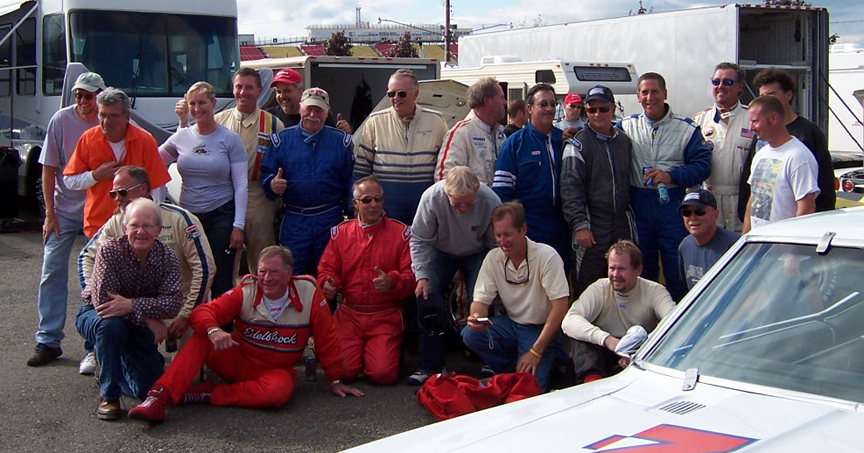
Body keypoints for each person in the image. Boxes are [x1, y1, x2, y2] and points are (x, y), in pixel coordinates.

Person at [127, 246, 363, 424]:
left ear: (290, 273)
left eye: (274, 272)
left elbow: (327, 338)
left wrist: (335, 379)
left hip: (275, 371)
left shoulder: (309, 291)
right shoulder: (247, 289)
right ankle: (158, 398)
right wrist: (214, 330)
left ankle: (207, 393)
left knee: (279, 393)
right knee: (202, 335)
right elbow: (203, 312)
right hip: (239, 360)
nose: (267, 278)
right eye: (262, 271)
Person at [79, 166, 215, 347]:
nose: (117, 199)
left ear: (143, 189)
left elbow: (205, 268)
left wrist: (186, 315)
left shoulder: (179, 219)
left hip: (179, 305)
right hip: (130, 305)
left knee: (187, 375)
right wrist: (98, 293)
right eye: (113, 194)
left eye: (122, 192)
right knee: (117, 339)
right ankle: (98, 355)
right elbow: (86, 257)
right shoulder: (116, 222)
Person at [75, 198, 182, 421]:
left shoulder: (167, 257)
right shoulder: (110, 251)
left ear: (158, 230)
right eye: (134, 225)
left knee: (148, 390)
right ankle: (108, 396)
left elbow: (172, 304)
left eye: (147, 226)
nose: (140, 232)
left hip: (134, 321)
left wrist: (133, 305)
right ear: (125, 228)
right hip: (95, 314)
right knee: (112, 327)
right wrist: (148, 317)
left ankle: (109, 366)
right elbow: (104, 303)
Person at [176, 68, 284, 278]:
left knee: (261, 256)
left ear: (260, 90)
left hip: (257, 194)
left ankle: (261, 302)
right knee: (223, 259)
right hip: (222, 195)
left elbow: (282, 162)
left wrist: (274, 185)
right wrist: (182, 122)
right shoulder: (217, 120)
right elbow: (186, 144)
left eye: (249, 88)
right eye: (239, 87)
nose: (243, 92)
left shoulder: (272, 124)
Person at [28, 72, 104, 370]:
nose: (83, 102)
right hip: (63, 210)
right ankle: (48, 339)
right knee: (52, 270)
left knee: (97, 277)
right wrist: (48, 214)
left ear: (100, 95)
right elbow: (49, 169)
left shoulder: (108, 119)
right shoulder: (61, 120)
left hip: (97, 210)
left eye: (89, 96)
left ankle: (94, 343)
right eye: (79, 96)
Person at [618, 72, 712, 302]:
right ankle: (648, 323)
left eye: (655, 91)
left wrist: (671, 176)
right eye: (645, 92)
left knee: (676, 268)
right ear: (638, 97)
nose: (650, 97)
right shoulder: (625, 126)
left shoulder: (686, 128)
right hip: (639, 206)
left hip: (672, 206)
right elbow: (598, 139)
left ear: (665, 94)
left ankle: (678, 319)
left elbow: (703, 166)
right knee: (643, 268)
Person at [461, 202, 569, 392]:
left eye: (508, 235)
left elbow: (561, 307)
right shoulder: (493, 258)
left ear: (523, 229)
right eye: (498, 235)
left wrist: (535, 352)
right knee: (470, 334)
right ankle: (513, 373)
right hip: (511, 325)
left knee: (532, 390)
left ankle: (541, 363)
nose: (503, 241)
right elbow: (480, 299)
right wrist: (476, 317)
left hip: (540, 329)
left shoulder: (547, 256)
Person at [317, 176, 414, 385]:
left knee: (382, 375)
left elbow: (412, 277)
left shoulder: (401, 234)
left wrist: (392, 281)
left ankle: (385, 353)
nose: (373, 205)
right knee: (342, 372)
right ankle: (361, 355)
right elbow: (327, 268)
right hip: (349, 314)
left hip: (385, 315)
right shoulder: (341, 233)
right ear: (355, 204)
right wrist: (327, 283)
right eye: (367, 200)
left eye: (378, 199)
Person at [409, 166, 500, 385]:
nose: (462, 209)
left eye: (469, 204)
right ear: (446, 194)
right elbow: (419, 240)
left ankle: (492, 359)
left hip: (477, 251)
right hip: (439, 249)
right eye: (457, 204)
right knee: (428, 300)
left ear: (477, 193)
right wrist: (421, 275)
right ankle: (430, 365)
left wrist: (494, 278)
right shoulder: (431, 197)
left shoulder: (490, 201)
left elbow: (495, 246)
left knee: (487, 299)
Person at [160, 81, 248, 299]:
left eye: (202, 103)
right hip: (190, 216)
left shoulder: (229, 139)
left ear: (213, 103)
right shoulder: (182, 137)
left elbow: (241, 184)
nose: (197, 109)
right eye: (192, 104)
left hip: (221, 214)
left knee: (220, 276)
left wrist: (238, 226)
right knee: (190, 275)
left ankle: (223, 328)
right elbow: (153, 161)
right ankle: (191, 326)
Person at [261, 88, 354, 276]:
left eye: (318, 110)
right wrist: (272, 184)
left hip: (330, 220)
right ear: (301, 108)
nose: (313, 115)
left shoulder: (341, 142)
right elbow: (267, 174)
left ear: (326, 112)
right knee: (294, 277)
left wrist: (352, 218)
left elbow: (349, 183)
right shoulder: (281, 141)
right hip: (295, 221)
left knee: (328, 277)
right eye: (309, 109)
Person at [63, 87, 171, 239]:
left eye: (113, 116)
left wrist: (151, 220)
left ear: (127, 116)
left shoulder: (145, 141)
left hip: (136, 229)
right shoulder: (88, 139)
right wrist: (95, 176)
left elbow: (158, 187)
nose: (106, 122)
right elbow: (69, 181)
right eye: (102, 115)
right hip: (97, 227)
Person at [561, 240, 675, 382]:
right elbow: (569, 321)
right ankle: (592, 384)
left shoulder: (654, 291)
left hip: (639, 354)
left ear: (638, 270)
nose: (615, 275)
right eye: (612, 268)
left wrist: (639, 349)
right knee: (579, 336)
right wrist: (608, 340)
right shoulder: (599, 288)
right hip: (604, 353)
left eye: (621, 269)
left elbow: (674, 321)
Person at [561, 85, 635, 297]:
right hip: (592, 226)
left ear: (612, 109)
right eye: (591, 110)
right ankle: (582, 330)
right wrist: (579, 225)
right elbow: (570, 189)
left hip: (621, 225)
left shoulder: (624, 140)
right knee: (588, 288)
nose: (597, 114)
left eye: (603, 109)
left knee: (622, 284)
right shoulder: (577, 144)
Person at [738, 67, 835, 220]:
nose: (766, 101)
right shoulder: (762, 135)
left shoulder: (808, 133)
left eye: (771, 95)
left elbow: (824, 183)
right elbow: (752, 181)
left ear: (788, 95)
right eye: (761, 96)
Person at [354, 68, 448, 225]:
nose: (396, 98)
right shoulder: (375, 122)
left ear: (416, 94)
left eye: (402, 93)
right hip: (386, 212)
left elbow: (445, 169)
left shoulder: (437, 121)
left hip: (424, 211)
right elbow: (362, 169)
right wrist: (358, 208)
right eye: (391, 94)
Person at [493, 84, 569, 265]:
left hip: (562, 228)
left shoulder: (564, 140)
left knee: (559, 283)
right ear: (529, 108)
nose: (549, 109)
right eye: (543, 104)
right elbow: (502, 194)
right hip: (529, 228)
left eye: (552, 104)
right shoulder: (514, 144)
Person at [692, 62, 754, 232]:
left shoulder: (752, 118)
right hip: (709, 199)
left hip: (742, 199)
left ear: (740, 86)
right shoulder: (699, 121)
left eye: (727, 82)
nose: (720, 87)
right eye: (716, 82)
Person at [742, 95, 819, 233]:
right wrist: (745, 237)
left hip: (782, 247)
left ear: (773, 118)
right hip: (759, 243)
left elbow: (806, 208)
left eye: (755, 121)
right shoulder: (761, 154)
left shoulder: (799, 156)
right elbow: (753, 199)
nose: (751, 128)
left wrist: (791, 249)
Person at [435, 77, 507, 186]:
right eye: (501, 98)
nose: (505, 103)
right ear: (487, 101)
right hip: (472, 202)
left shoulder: (499, 133)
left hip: (498, 201)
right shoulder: (461, 134)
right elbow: (444, 179)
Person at [677, 189, 739, 290]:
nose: (692, 218)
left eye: (699, 212)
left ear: (715, 215)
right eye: (686, 213)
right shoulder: (684, 246)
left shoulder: (734, 246)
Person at [265, 67, 350, 133]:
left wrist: (345, 135)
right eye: (278, 92)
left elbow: (338, 146)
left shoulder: (317, 115)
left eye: (287, 91)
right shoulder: (269, 116)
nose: (282, 96)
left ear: (300, 90)